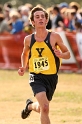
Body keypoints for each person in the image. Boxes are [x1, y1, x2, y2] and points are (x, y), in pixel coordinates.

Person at [18, 6, 70, 124]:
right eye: (37, 17)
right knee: (45, 107)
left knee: (43, 108)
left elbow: (68, 54)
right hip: (36, 77)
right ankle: (31, 106)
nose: (41, 19)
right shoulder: (28, 39)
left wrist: (61, 54)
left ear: (46, 20)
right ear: (32, 22)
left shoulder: (54, 36)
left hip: (51, 77)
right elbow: (24, 54)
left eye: (43, 17)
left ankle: (30, 106)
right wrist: (23, 66)